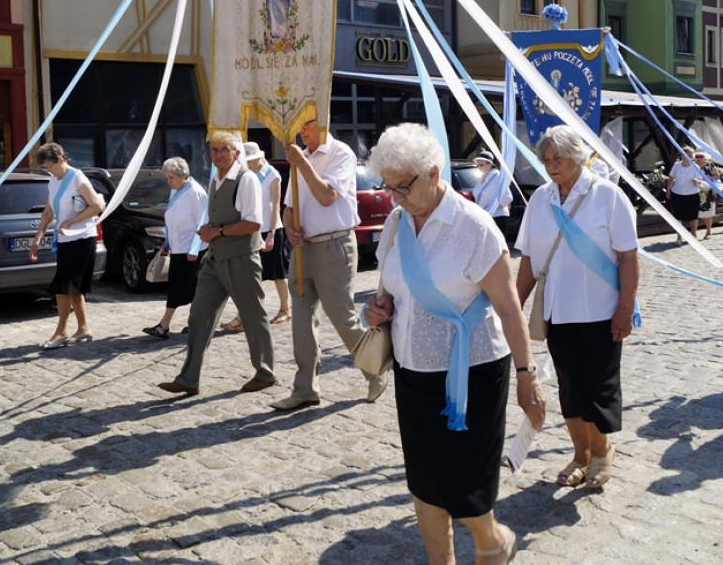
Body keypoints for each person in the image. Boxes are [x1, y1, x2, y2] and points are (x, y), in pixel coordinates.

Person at [365, 123, 544, 564]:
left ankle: (493, 542)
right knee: (424, 486)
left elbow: (508, 309)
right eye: (388, 187)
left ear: (432, 172)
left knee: (465, 488)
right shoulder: (395, 221)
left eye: (402, 186)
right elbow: (391, 287)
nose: (395, 197)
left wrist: (527, 377)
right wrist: (380, 307)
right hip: (412, 371)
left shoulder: (474, 228)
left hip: (473, 375)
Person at [515, 125, 639, 488]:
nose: (552, 165)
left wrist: (625, 307)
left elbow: (628, 258)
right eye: (546, 159)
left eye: (559, 158)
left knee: (596, 389)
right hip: (558, 312)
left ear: (578, 156)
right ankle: (579, 454)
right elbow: (528, 262)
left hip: (601, 312)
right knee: (569, 389)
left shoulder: (608, 196)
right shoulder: (540, 199)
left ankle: (601, 452)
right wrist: (512, 305)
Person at [270, 117, 386, 411]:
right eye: (299, 127)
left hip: (334, 246)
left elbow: (326, 196)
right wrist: (290, 227)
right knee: (302, 321)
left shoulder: (341, 154)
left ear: (321, 123)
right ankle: (305, 388)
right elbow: (289, 207)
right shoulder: (302, 158)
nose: (300, 131)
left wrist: (300, 163)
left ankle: (375, 370)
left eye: (305, 125)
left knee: (343, 318)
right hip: (303, 247)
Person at [157, 132, 278, 396]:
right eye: (215, 150)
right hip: (215, 259)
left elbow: (254, 223)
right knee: (199, 315)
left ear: (236, 153)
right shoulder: (215, 178)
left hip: (242, 258)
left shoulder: (246, 180)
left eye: (225, 149)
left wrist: (218, 231)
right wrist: (208, 231)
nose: (219, 154)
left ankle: (265, 372)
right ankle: (189, 378)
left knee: (253, 316)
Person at [31, 143, 105, 348]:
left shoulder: (77, 178)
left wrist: (72, 221)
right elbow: (48, 212)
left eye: (50, 166)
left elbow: (97, 206)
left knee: (62, 286)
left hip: (82, 238)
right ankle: (83, 328)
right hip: (65, 240)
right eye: (45, 168)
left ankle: (61, 332)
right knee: (73, 288)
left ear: (61, 160)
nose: (48, 171)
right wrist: (38, 238)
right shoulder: (53, 181)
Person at [220, 141, 292, 329]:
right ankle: (244, 315)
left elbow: (276, 205)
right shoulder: (246, 175)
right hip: (252, 229)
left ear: (260, 157)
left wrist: (272, 235)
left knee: (277, 272)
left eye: (251, 160)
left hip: (270, 227)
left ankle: (285, 309)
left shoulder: (272, 175)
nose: (249, 163)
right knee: (249, 274)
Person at [142, 157, 208, 339]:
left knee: (183, 288)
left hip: (192, 249)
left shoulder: (195, 192)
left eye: (171, 177)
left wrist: (195, 248)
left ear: (183, 175)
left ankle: (165, 325)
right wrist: (167, 242)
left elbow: (203, 222)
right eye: (167, 177)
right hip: (178, 247)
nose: (168, 181)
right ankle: (194, 323)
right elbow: (173, 219)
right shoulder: (176, 190)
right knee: (184, 288)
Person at [472, 149, 513, 238]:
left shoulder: (497, 176)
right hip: (485, 217)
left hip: (498, 217)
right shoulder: (480, 178)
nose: (479, 168)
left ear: (490, 164)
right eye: (478, 165)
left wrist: (493, 207)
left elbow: (508, 197)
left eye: (482, 165)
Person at [666, 146, 700, 242]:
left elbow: (700, 180)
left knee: (693, 215)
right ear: (681, 156)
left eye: (690, 156)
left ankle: (693, 234)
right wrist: (668, 190)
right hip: (678, 193)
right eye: (686, 155)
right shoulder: (676, 165)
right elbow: (671, 178)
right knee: (678, 216)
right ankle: (679, 237)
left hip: (692, 193)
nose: (688, 157)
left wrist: (696, 181)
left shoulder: (695, 167)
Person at [694, 151, 721, 240]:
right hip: (694, 191)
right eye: (697, 157)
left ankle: (708, 231)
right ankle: (694, 232)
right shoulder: (693, 165)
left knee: (708, 212)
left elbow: (717, 176)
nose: (698, 159)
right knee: (694, 213)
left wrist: (707, 179)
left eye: (701, 157)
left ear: (705, 158)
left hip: (707, 192)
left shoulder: (710, 165)